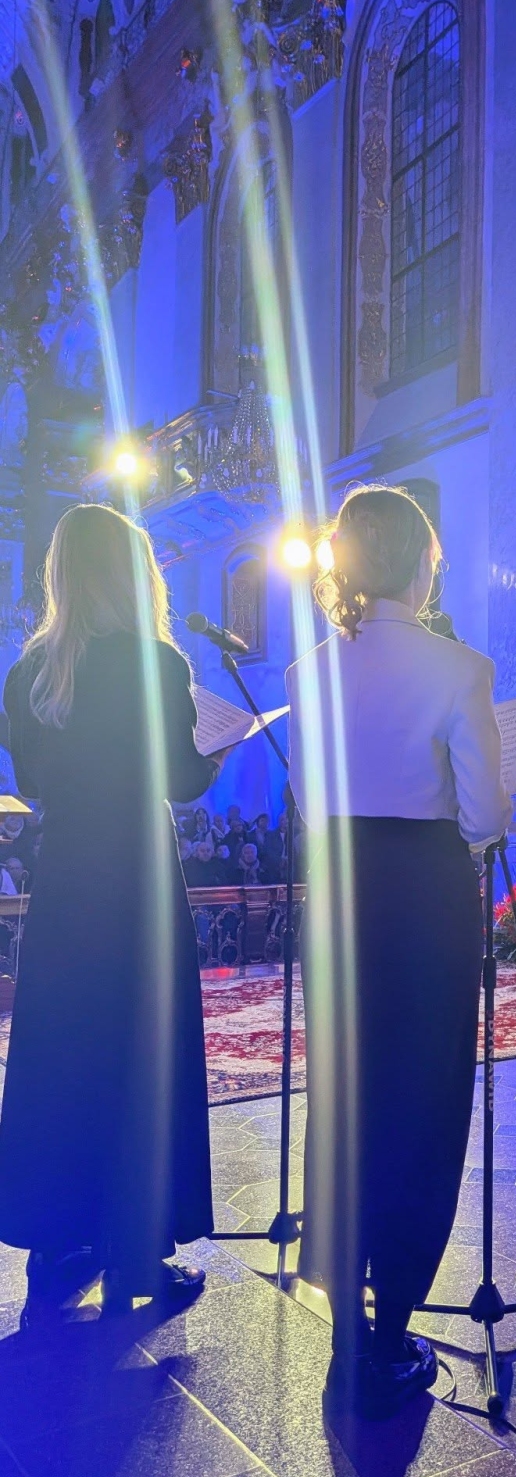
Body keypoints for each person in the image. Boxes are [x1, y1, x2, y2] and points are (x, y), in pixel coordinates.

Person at [287, 484, 511, 1420]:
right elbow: (485, 817)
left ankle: (346, 1326)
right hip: (424, 898)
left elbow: (310, 802)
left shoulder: (308, 668)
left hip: (342, 892)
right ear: (423, 561)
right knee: (422, 1105)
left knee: (345, 1100)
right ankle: (391, 1335)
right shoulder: (459, 667)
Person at [0, 504, 225, 1319]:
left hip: (68, 878)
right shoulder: (154, 663)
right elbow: (182, 780)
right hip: (136, 875)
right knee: (143, 1051)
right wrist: (218, 751)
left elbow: (33, 781)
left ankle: (59, 1244)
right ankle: (139, 1254)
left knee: (65, 1050)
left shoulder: (30, 673)